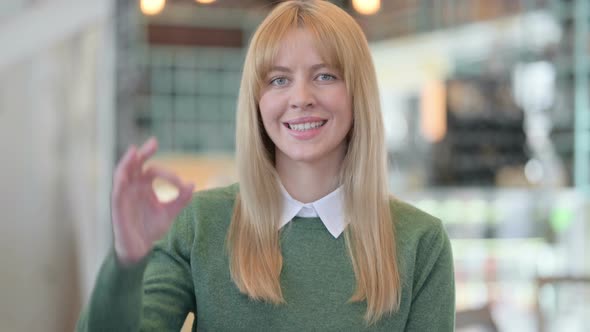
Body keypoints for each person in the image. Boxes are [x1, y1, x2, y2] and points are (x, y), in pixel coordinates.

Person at [76, 0, 455, 330]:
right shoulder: (199, 226)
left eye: (325, 76)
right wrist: (128, 260)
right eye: (278, 80)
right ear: (256, 101)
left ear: (358, 93)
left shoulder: (421, 242)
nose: (301, 98)